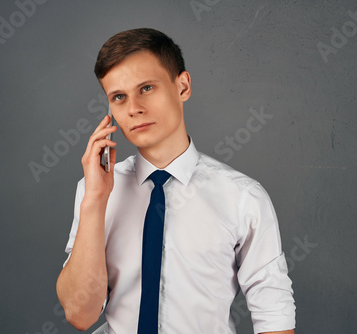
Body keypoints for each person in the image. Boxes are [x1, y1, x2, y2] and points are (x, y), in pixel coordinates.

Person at [56, 28, 296, 334]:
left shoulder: (242, 197)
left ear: (182, 86)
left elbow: (274, 312)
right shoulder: (96, 191)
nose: (133, 109)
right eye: (119, 97)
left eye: (146, 88)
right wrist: (94, 201)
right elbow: (80, 314)